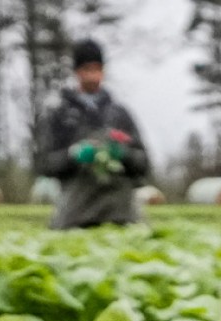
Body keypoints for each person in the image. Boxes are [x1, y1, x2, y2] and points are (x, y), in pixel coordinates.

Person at [37, 39, 151, 229]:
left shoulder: (120, 114)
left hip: (121, 214)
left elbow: (144, 163)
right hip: (75, 215)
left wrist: (124, 154)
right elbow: (44, 164)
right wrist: (73, 155)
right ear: (76, 72)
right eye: (87, 69)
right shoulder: (59, 115)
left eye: (97, 69)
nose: (92, 76)